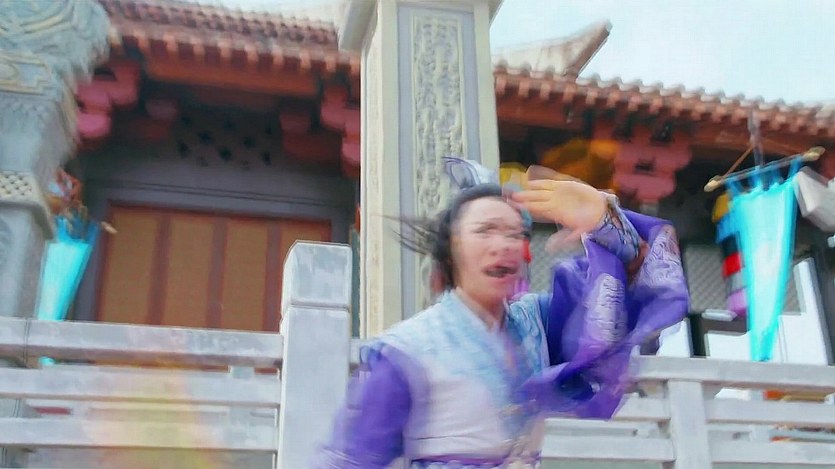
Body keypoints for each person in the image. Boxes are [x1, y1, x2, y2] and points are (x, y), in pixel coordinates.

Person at [312, 158, 689, 469]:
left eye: (514, 234)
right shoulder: (407, 351)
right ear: (453, 248)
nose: (504, 245)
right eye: (486, 231)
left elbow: (625, 300)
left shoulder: (537, 324)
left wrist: (606, 224)